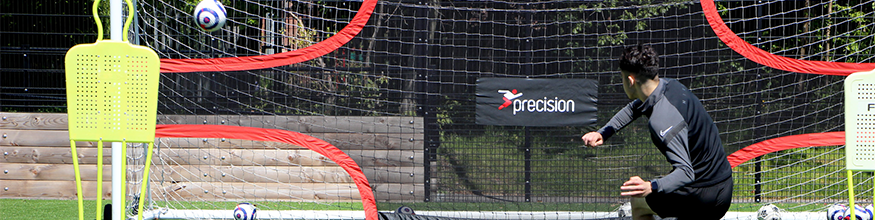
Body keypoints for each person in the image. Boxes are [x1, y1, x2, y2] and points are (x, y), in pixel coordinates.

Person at [581, 44, 733, 220]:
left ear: (630, 81)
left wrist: (651, 186)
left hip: (704, 196)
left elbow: (685, 172)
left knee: (638, 202)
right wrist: (603, 133)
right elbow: (634, 108)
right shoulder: (668, 86)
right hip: (723, 185)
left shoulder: (662, 120)